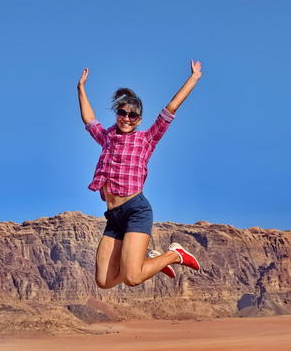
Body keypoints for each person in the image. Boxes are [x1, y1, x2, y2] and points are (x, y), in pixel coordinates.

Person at [78, 61, 203, 289]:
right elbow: (89, 120)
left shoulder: (146, 139)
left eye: (133, 115)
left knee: (133, 278)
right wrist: (81, 88)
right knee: (103, 282)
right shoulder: (107, 137)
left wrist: (193, 78)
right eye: (122, 113)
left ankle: (174, 255)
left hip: (136, 210)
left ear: (139, 120)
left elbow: (170, 110)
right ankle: (151, 260)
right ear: (117, 114)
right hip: (114, 217)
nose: (127, 118)